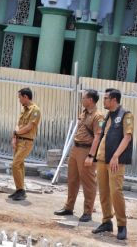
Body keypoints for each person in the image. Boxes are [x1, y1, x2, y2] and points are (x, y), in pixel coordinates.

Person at [54, 89, 103, 221]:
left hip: (86, 151)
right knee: (72, 179)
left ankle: (87, 212)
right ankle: (69, 207)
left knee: (88, 182)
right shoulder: (84, 113)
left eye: (83, 98)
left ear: (90, 100)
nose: (82, 100)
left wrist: (91, 156)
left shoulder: (98, 116)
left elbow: (98, 137)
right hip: (76, 149)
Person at [93, 88, 134, 240]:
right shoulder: (107, 116)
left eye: (106, 98)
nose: (103, 101)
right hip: (102, 159)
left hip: (115, 161)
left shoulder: (126, 115)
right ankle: (106, 221)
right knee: (103, 191)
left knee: (116, 191)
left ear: (114, 100)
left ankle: (122, 225)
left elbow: (127, 137)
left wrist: (116, 156)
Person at [9, 87, 41, 201]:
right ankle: (19, 190)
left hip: (26, 141)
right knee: (20, 165)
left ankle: (21, 190)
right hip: (19, 140)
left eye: (20, 97)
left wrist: (16, 132)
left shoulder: (35, 110)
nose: (19, 100)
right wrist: (14, 137)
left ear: (25, 97)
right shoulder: (24, 109)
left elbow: (29, 127)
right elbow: (18, 124)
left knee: (15, 164)